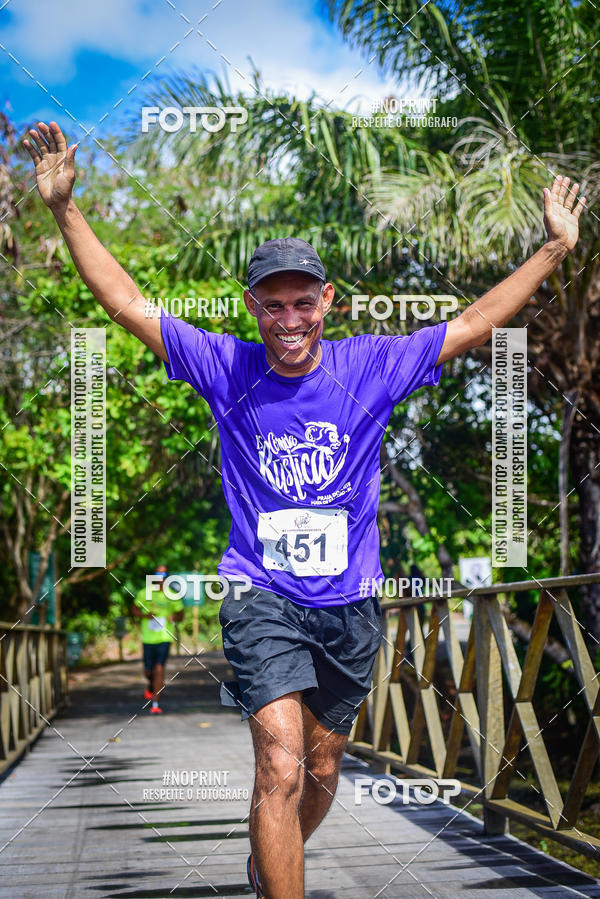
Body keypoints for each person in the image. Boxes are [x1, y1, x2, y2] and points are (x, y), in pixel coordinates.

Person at [24, 121, 586, 898]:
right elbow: (127, 304)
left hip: (350, 606)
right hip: (261, 595)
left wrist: (554, 248)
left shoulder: (372, 363)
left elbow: (473, 323)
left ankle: (268, 861)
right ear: (252, 306)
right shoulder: (228, 366)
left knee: (321, 765)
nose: (288, 320)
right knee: (281, 762)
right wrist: (64, 210)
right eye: (272, 305)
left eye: (301, 303)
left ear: (328, 300)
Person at [131, 564, 184, 714]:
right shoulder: (144, 593)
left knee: (159, 668)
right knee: (148, 672)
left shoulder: (172, 595)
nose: (161, 578)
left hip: (164, 637)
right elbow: (134, 610)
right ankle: (151, 685)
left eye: (164, 575)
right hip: (148, 639)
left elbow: (181, 615)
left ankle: (155, 703)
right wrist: (145, 615)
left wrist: (174, 617)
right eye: (158, 575)